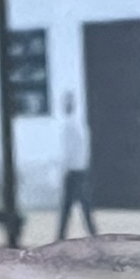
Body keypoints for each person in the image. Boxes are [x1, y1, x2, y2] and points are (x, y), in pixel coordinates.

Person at [57, 91, 97, 240]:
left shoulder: (69, 125)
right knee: (84, 206)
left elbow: (68, 151)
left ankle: (61, 236)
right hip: (82, 169)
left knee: (67, 206)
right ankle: (93, 233)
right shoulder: (80, 124)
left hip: (73, 170)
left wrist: (64, 169)